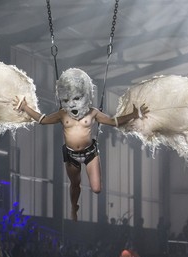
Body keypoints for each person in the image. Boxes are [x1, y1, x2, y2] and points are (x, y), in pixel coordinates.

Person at [14, 68, 149, 221]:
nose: (71, 105)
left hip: (90, 153)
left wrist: (133, 114)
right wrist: (25, 107)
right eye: (66, 100)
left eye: (77, 99)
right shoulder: (62, 114)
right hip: (71, 154)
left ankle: (75, 205)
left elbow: (114, 122)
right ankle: (74, 207)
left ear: (85, 96)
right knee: (75, 184)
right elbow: (42, 120)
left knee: (97, 189)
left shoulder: (93, 112)